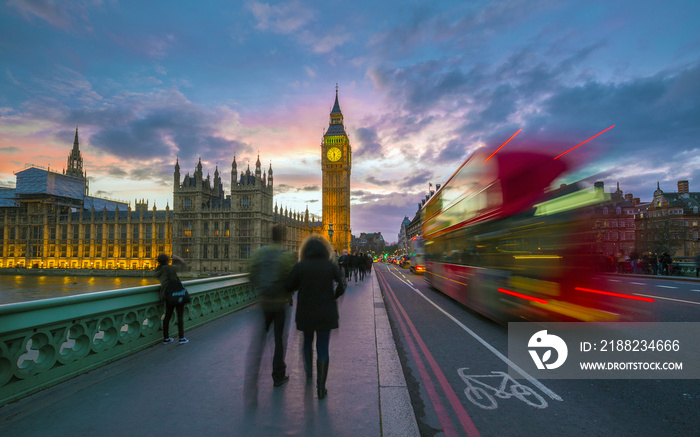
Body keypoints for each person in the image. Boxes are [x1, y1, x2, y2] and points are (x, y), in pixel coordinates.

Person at [286, 235, 344, 399]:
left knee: (307, 342)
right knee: (323, 347)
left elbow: (289, 285)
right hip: (326, 313)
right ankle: (320, 388)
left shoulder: (301, 266)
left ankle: (309, 372)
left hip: (306, 313)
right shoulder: (330, 265)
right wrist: (333, 297)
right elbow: (342, 285)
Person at [247, 224, 295, 388]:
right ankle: (278, 376)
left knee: (258, 341)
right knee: (279, 341)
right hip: (280, 304)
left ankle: (252, 379)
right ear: (284, 237)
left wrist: (261, 289)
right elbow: (291, 279)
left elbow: (252, 274)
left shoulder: (258, 253)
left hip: (264, 302)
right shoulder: (285, 255)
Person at [154, 254, 189, 344]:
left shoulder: (158, 270)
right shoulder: (168, 268)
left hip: (166, 294)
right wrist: (179, 260)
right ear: (166, 260)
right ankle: (181, 338)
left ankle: (166, 338)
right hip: (176, 293)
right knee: (179, 316)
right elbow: (183, 268)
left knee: (167, 316)